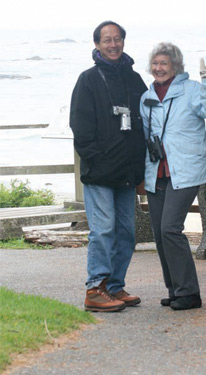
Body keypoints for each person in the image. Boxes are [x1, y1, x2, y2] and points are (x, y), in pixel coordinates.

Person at [140, 42, 206, 310]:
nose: (158, 68)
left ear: (176, 66)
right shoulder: (146, 97)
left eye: (164, 63)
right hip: (157, 173)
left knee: (170, 228)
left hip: (186, 171)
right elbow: (143, 137)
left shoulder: (191, 90)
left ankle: (190, 292)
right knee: (160, 233)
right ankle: (176, 289)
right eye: (155, 63)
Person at [70, 21, 147, 312]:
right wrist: (98, 159)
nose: (113, 44)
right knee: (103, 230)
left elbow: (145, 124)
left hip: (127, 172)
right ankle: (95, 289)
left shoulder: (134, 79)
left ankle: (114, 286)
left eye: (117, 39)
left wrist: (142, 169)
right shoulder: (88, 79)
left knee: (126, 232)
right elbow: (80, 127)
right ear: (97, 45)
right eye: (107, 40)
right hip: (100, 172)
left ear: (123, 43)